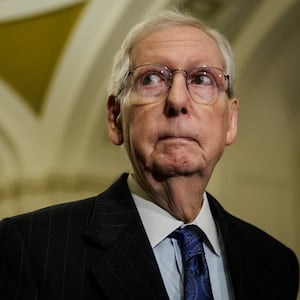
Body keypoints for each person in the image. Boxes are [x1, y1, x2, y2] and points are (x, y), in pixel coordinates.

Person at [0, 9, 299, 300]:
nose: (178, 100)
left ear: (230, 122)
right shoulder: (29, 247)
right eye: (152, 79)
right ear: (115, 118)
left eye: (202, 79)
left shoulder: (275, 263)